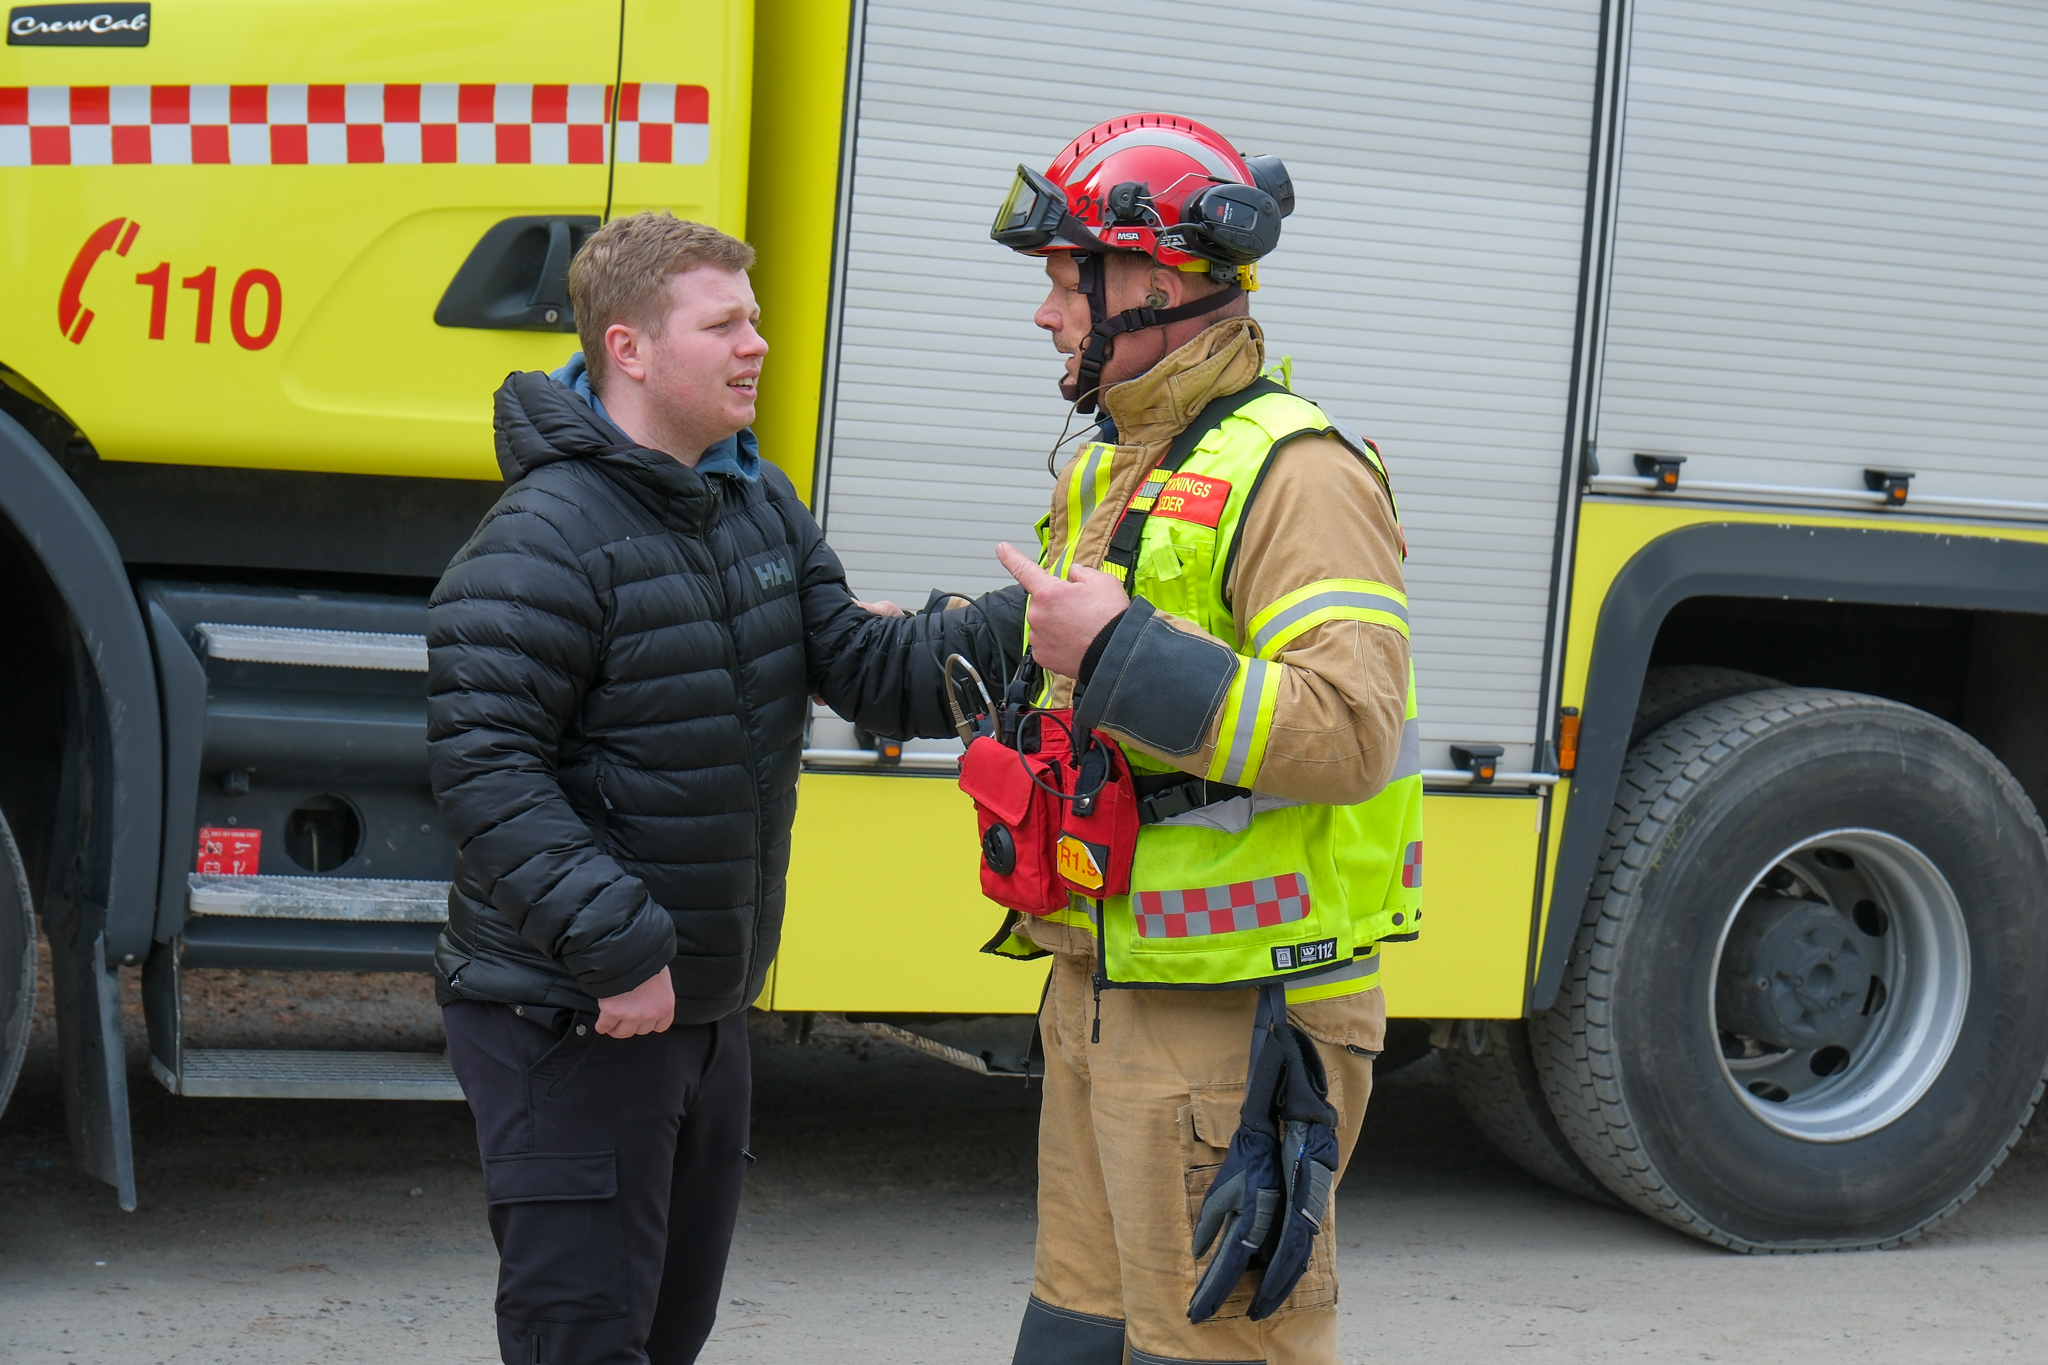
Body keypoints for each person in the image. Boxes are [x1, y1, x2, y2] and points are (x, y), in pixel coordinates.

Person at [424, 211, 968, 1365]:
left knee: (667, 1337)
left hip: (699, 1015)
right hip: (575, 1016)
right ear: (626, 349)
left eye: (754, 320)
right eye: (723, 324)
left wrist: (1034, 624)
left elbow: (865, 670)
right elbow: (484, 769)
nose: (756, 345)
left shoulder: (749, 500)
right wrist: (618, 948)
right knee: (583, 1342)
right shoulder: (541, 538)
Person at [961, 113, 1422, 1364]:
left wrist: (1114, 654)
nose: (1047, 315)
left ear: (1154, 284)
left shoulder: (1302, 475)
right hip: (1108, 992)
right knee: (1077, 1336)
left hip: (1241, 1025)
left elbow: (1349, 731)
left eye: (1067, 280)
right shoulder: (1124, 468)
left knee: (1216, 1349)